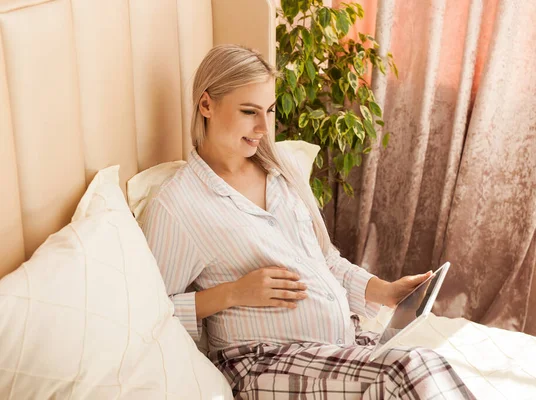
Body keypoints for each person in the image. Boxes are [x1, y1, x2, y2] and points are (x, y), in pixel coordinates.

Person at [141, 44, 475, 399]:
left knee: (422, 365)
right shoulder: (178, 205)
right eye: (248, 111)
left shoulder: (279, 169)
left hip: (334, 348)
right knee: (408, 369)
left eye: (268, 111)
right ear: (206, 105)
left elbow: (323, 261)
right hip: (260, 362)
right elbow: (153, 313)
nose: (262, 127)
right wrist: (233, 293)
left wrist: (387, 292)